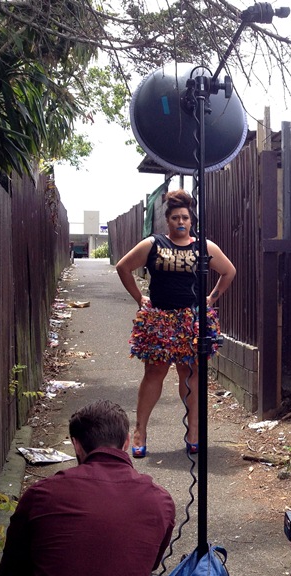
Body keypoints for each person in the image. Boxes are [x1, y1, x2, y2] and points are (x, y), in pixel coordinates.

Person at [0, 400, 176, 576]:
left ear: (76, 444)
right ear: (127, 442)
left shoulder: (42, 494)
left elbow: (13, 570)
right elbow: (148, 563)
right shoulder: (160, 501)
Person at [116, 189, 236, 457]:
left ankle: (193, 431)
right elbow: (123, 267)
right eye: (175, 218)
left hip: (191, 322)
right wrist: (139, 298)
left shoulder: (203, 246)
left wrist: (211, 299)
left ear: (191, 220)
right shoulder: (153, 244)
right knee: (154, 373)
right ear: (167, 220)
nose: (180, 222)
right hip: (159, 319)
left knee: (190, 374)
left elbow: (228, 271)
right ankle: (140, 431)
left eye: (185, 218)